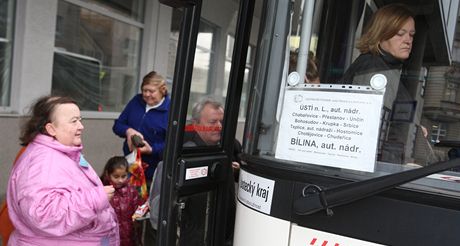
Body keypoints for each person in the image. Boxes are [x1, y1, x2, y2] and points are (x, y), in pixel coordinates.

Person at [6, 95, 119, 245]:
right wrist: (94, 200)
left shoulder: (61, 153)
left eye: (80, 120)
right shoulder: (43, 163)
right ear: (51, 129)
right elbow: (43, 215)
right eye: (74, 121)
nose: (81, 126)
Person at [149, 98, 241, 246]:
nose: (219, 126)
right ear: (196, 123)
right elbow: (158, 212)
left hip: (224, 234)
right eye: (212, 122)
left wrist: (236, 172)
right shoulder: (181, 154)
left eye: (221, 121)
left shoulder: (230, 146)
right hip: (193, 237)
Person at [340, 3, 415, 110]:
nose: (408, 41)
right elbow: (371, 119)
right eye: (400, 33)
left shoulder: (389, 68)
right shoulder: (372, 67)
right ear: (380, 34)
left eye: (411, 35)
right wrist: (415, 127)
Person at [113, 71, 170, 184]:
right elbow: (118, 125)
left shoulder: (170, 110)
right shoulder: (136, 101)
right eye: (145, 90)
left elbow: (172, 144)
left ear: (162, 90)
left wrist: (152, 150)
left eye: (152, 91)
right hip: (130, 165)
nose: (147, 94)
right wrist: (128, 131)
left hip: (153, 171)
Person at [101, 156, 144, 246]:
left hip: (130, 236)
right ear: (107, 174)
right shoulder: (103, 191)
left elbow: (138, 212)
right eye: (116, 176)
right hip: (110, 237)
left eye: (123, 176)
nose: (120, 180)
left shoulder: (132, 191)